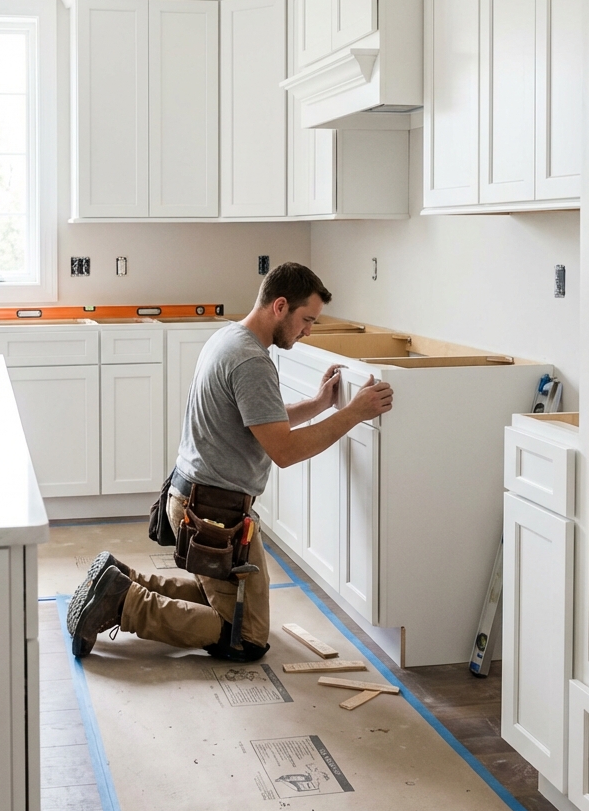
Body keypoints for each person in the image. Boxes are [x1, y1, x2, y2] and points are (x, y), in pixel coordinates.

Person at [65, 262, 393, 660]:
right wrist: (353, 412)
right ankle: (122, 604)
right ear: (280, 306)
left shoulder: (230, 338)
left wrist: (321, 404)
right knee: (246, 638)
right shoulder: (252, 362)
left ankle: (121, 580)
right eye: (306, 319)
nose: (308, 330)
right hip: (213, 515)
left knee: (221, 601)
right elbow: (284, 451)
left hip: (192, 499)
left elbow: (262, 420)